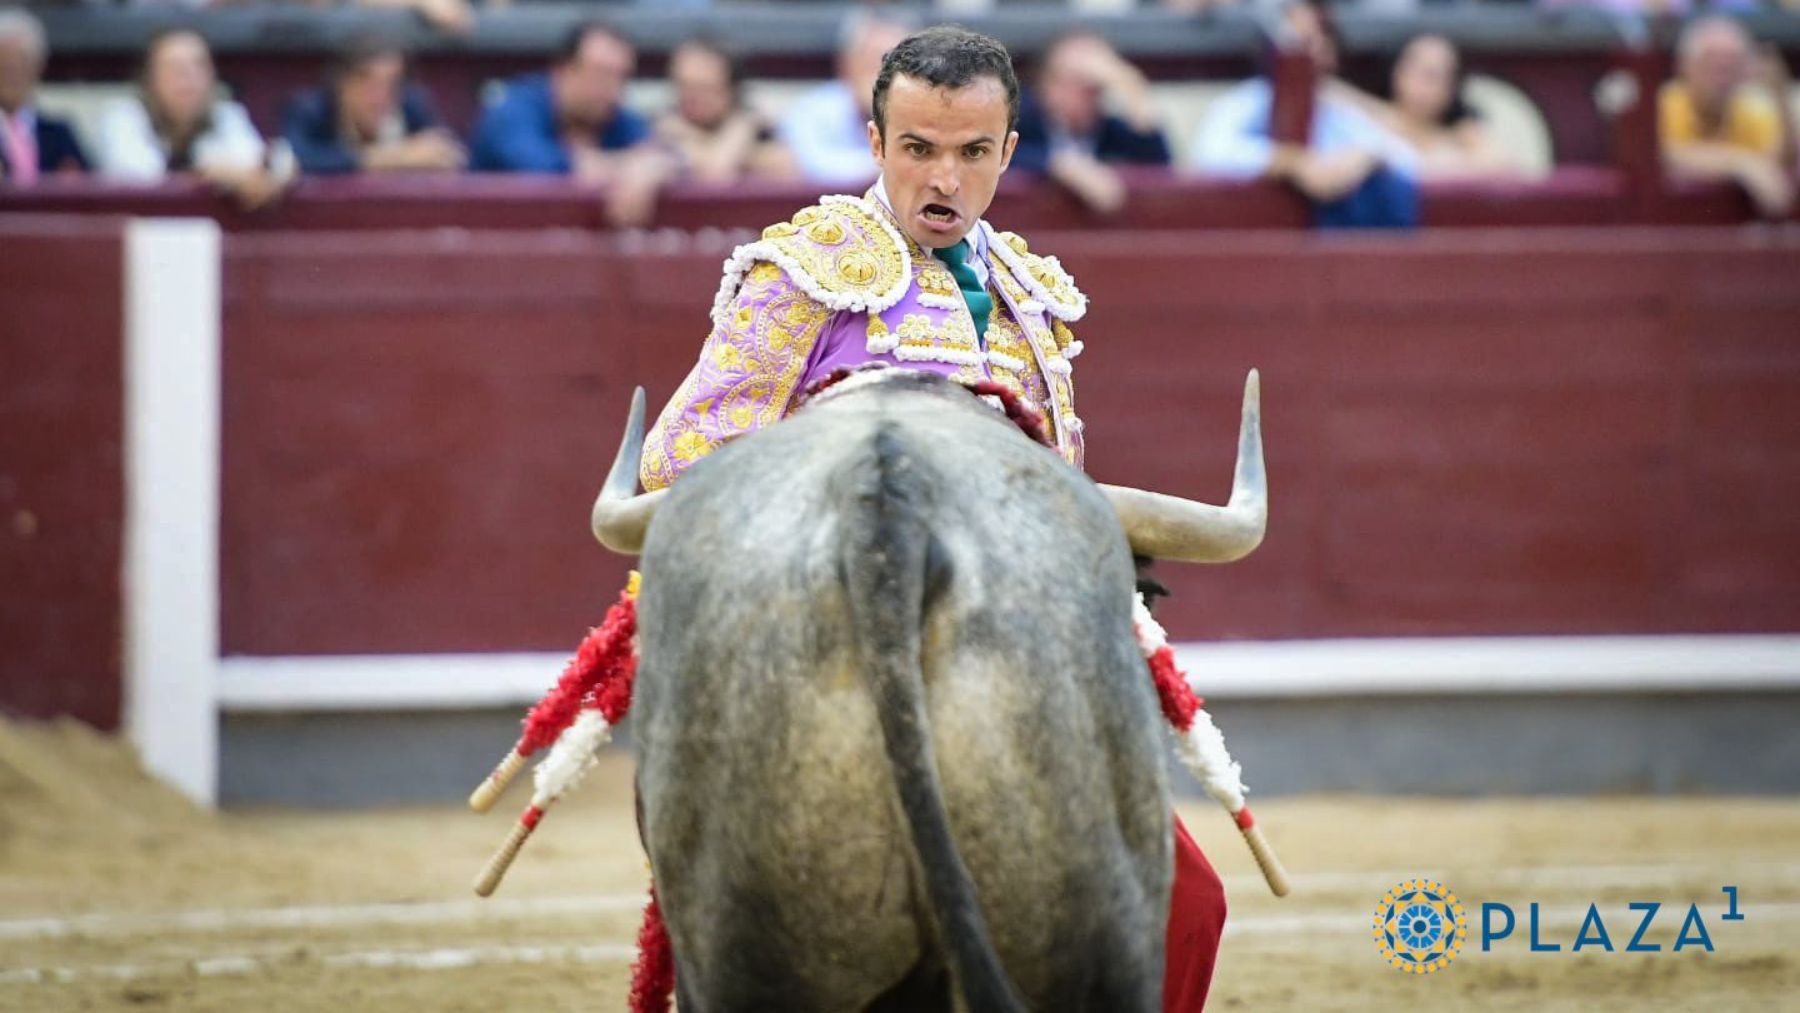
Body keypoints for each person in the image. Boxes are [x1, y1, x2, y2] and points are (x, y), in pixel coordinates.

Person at [639, 26, 1228, 1012]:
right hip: (821, 651)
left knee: (1190, 904)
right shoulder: (805, 272)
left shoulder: (1028, 293)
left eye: (968, 151)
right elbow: (687, 463)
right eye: (916, 148)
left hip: (1012, 652)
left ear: (1007, 151)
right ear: (875, 145)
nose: (941, 177)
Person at [1189, 0, 1419, 228]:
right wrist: (1293, 163)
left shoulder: (1340, 105)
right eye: (1297, 39)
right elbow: (1210, 152)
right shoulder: (1248, 100)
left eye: (1317, 40)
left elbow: (1406, 158)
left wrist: (1364, 159)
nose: (1308, 50)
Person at [94, 28, 285, 209]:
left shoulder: (227, 115)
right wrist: (211, 171)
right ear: (149, 79)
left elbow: (258, 169)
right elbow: (139, 179)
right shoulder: (122, 117)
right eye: (173, 67)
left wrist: (274, 172)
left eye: (198, 65)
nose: (187, 77)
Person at [1012, 29, 1171, 214]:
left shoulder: (1111, 130)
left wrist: (1132, 90)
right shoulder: (1020, 117)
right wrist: (1060, 165)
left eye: (1095, 85)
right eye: (1076, 80)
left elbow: (1161, 171)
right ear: (1047, 83)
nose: (1088, 91)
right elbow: (996, 152)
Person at [468, 20, 653, 178]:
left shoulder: (612, 115)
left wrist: (656, 166)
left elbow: (658, 150)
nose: (612, 91)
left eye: (621, 78)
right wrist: (627, 166)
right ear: (564, 71)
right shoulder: (513, 109)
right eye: (601, 76)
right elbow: (540, 168)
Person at [1328, 33, 1519, 180]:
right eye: (1417, 73)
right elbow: (1328, 91)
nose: (1423, 88)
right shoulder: (1369, 115)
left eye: (1435, 78)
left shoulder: (1463, 133)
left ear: (1452, 89)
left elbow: (1505, 166)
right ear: (1397, 73)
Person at [1660, 15, 1795, 218]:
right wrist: (1741, 162)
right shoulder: (1665, 103)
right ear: (1684, 66)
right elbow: (1662, 154)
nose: (1722, 77)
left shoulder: (1750, 111)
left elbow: (1776, 166)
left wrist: (1781, 99)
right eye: (1713, 65)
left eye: (1732, 66)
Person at [281, 34, 464, 176]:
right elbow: (291, 160)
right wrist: (392, 157)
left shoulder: (411, 104)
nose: (380, 97)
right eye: (367, 82)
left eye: (392, 84)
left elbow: (449, 154)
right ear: (342, 84)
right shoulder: (311, 110)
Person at [776, 7, 913, 184]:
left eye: (898, 63)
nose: (884, 73)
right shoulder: (809, 110)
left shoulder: (924, 108)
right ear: (847, 63)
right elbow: (810, 165)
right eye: (873, 61)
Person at [653, 35, 795, 184]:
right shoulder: (660, 129)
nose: (692, 98)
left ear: (732, 89)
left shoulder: (761, 130)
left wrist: (740, 128)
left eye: (705, 88)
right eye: (684, 86)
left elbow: (786, 168)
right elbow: (714, 175)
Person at [0, 8, 88, 183]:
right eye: (5, 65)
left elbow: (92, 191)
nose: (14, 74)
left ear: (39, 67)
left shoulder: (60, 135)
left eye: (22, 63)